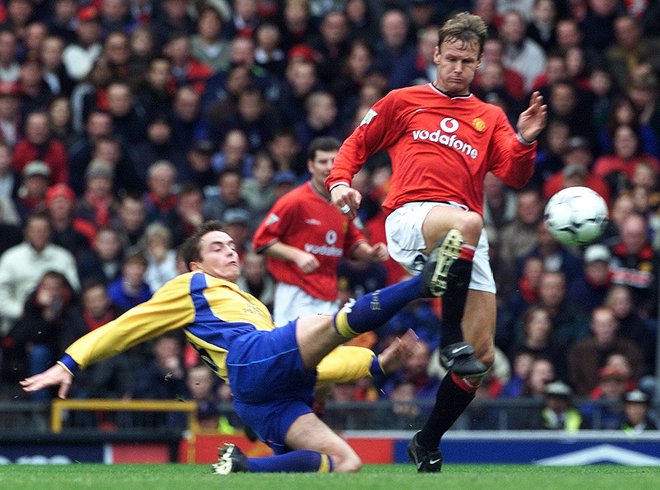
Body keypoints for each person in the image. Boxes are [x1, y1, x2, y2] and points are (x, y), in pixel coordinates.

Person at [21, 220, 457, 474]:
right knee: (325, 323)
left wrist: (375, 364)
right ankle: (422, 283)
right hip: (250, 363)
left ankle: (245, 468)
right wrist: (70, 361)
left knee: (345, 463)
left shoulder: (249, 304)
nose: (230, 251)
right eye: (217, 247)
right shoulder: (191, 285)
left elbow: (308, 364)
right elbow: (126, 326)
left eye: (231, 245)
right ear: (196, 264)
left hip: (258, 393)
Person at [326, 12, 547, 472]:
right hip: (411, 217)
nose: (459, 68)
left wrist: (525, 139)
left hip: (463, 234)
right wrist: (339, 182)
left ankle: (426, 441)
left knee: (481, 358)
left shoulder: (490, 117)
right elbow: (355, 144)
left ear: (481, 63)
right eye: (451, 58)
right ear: (435, 56)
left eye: (468, 61)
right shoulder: (403, 101)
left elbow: (516, 174)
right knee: (467, 227)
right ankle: (448, 340)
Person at [253, 136, 389, 325]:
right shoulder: (294, 201)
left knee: (326, 354)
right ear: (310, 166)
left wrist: (371, 253)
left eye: (334, 161)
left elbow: (353, 243)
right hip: (295, 291)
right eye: (322, 162)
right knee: (293, 352)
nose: (328, 167)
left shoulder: (343, 201)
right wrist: (297, 255)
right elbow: (261, 241)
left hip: (328, 293)